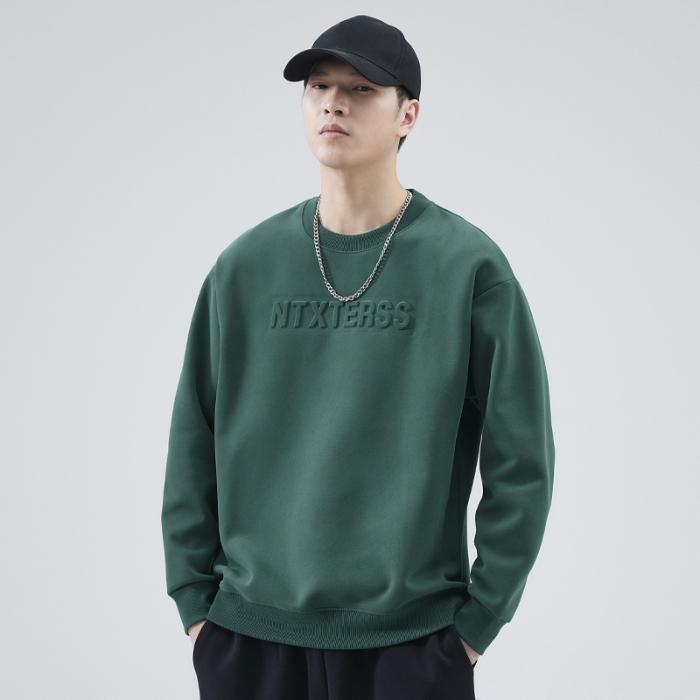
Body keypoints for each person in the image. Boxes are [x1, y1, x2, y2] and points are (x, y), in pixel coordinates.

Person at [161, 14, 555, 700]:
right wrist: (196, 606)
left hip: (411, 644)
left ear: (409, 115)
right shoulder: (245, 267)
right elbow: (193, 436)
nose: (333, 103)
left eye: (361, 88)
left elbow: (522, 458)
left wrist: (476, 625)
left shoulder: (466, 266)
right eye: (318, 86)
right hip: (250, 638)